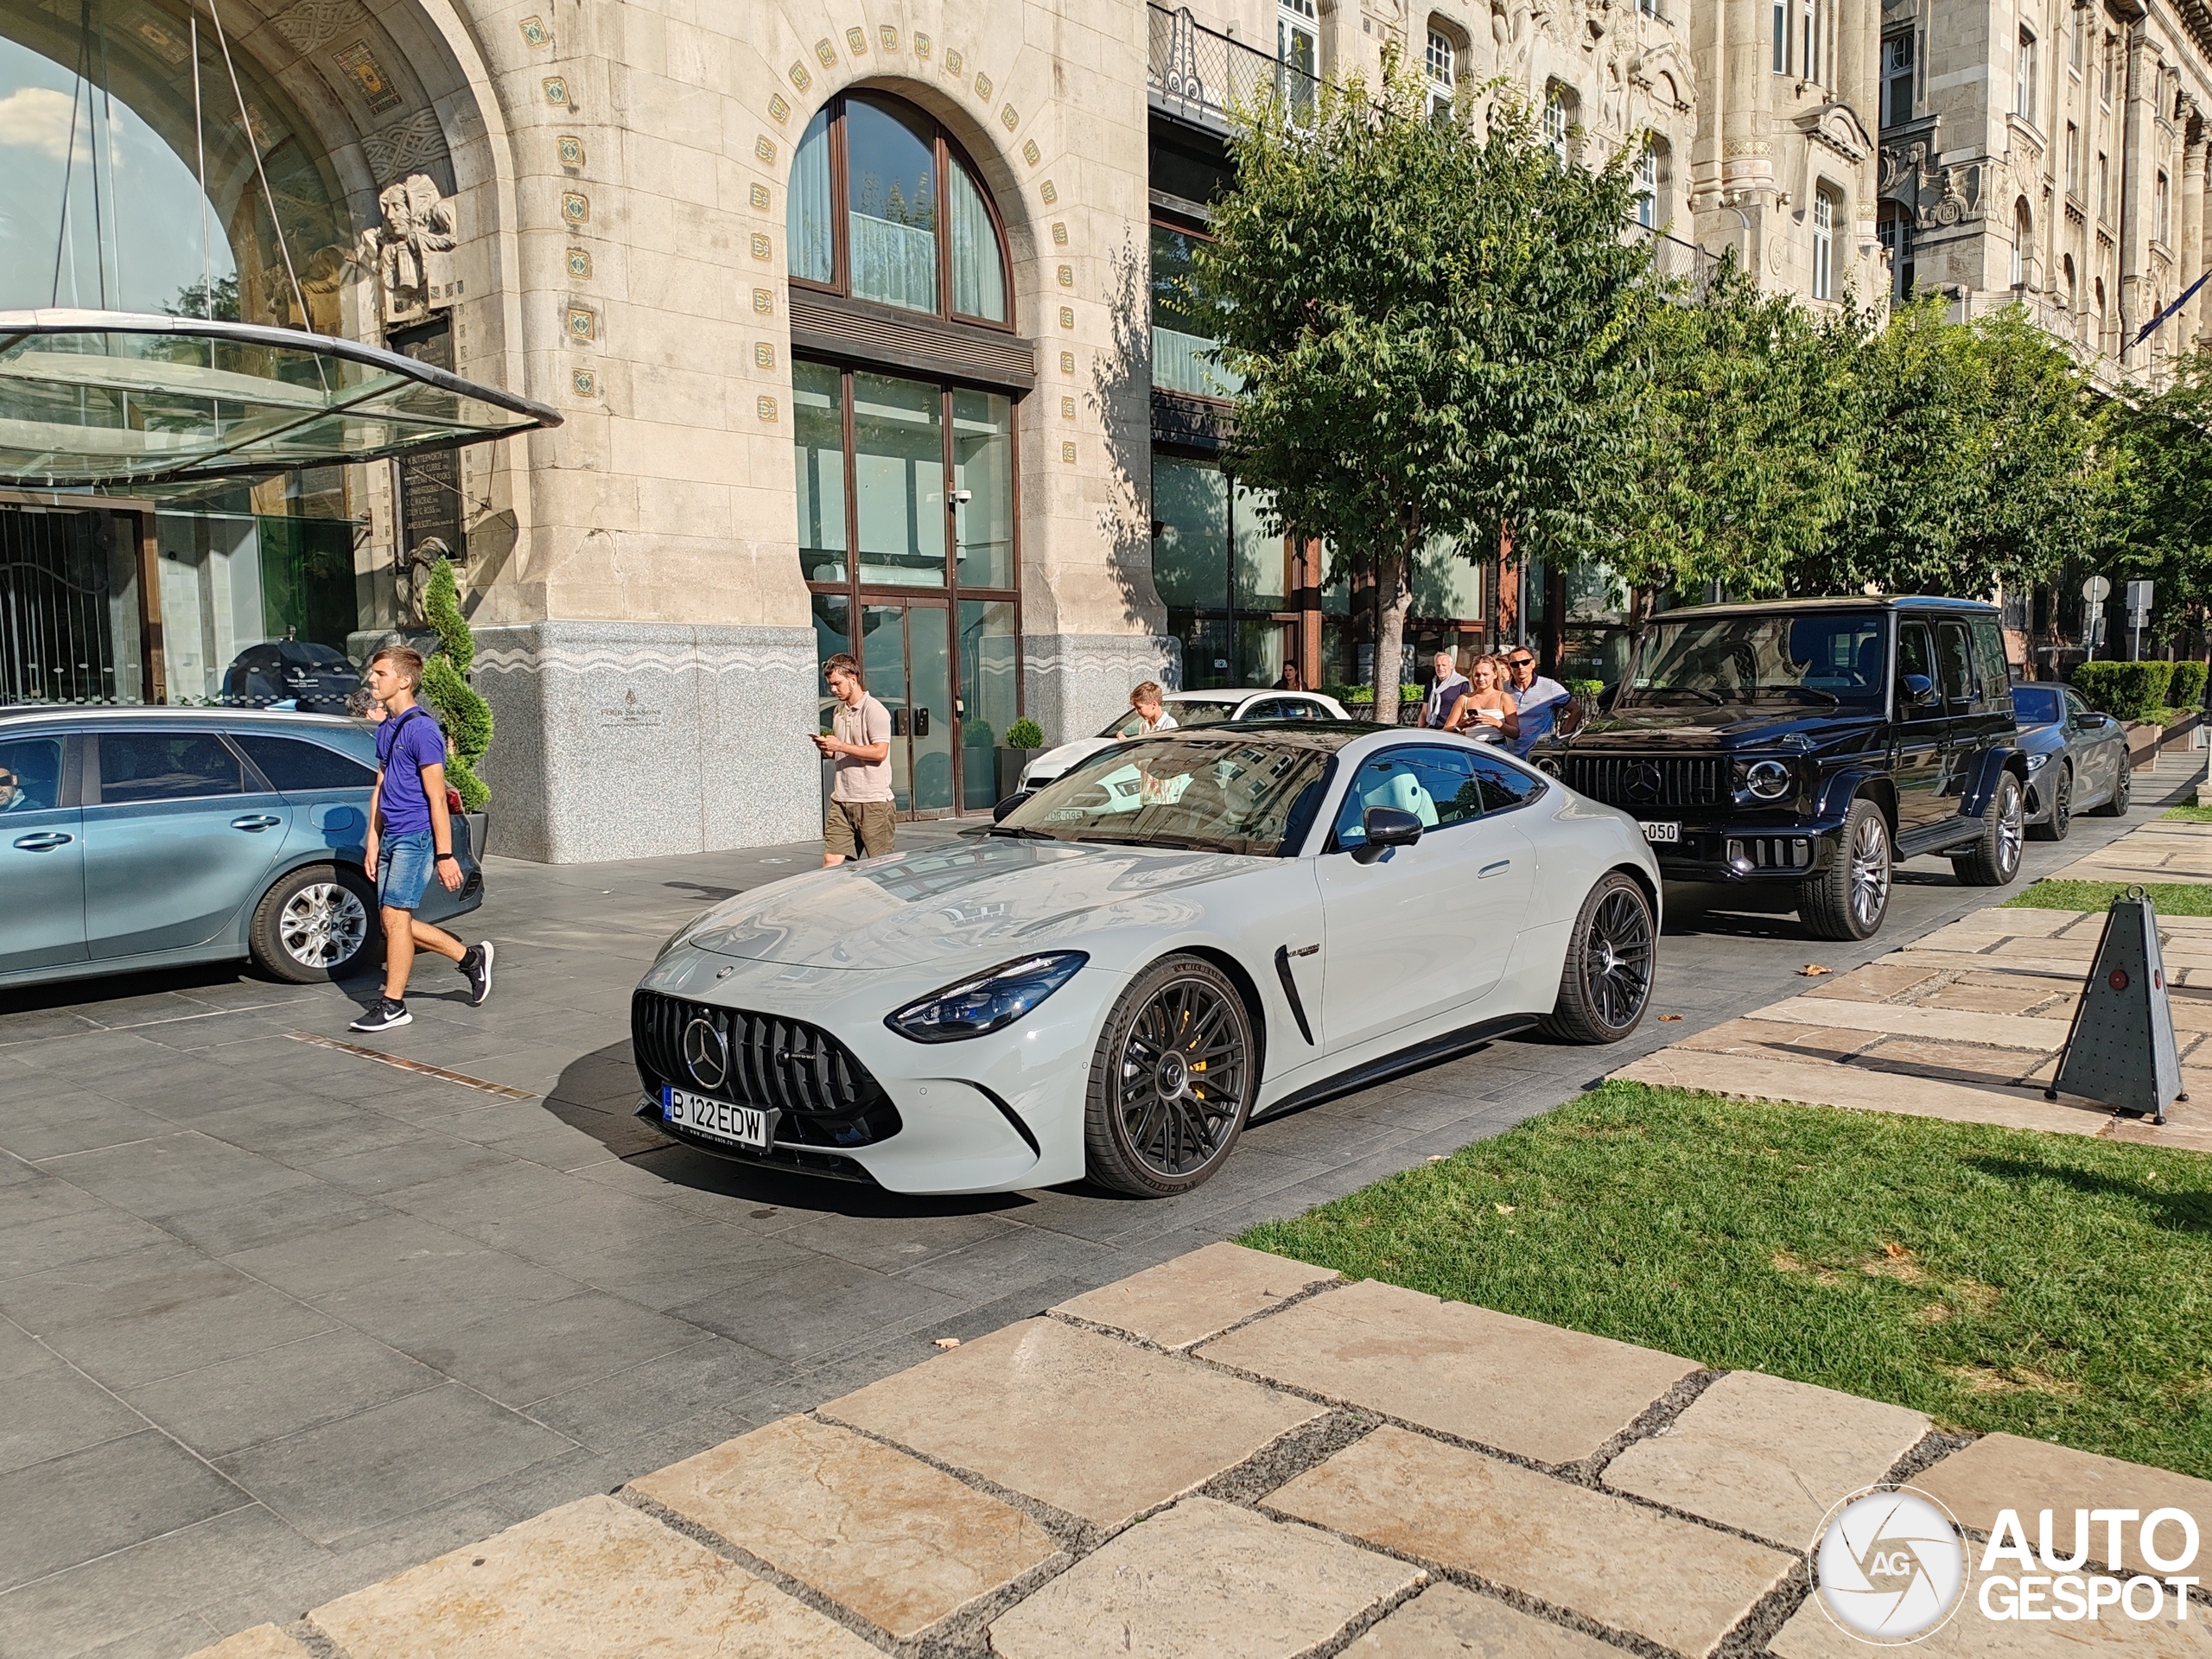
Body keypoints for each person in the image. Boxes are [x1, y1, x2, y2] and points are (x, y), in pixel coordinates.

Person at [351, 646, 493, 1032]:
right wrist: (373, 837)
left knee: (395, 919)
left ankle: (394, 1004)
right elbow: (381, 785)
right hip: (391, 836)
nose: (372, 679)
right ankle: (470, 958)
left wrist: (445, 854)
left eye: (380, 673)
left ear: (404, 680)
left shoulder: (423, 730)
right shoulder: (386, 728)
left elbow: (436, 797)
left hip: (416, 837)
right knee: (393, 921)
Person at [814, 652, 894, 867]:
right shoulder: (839, 711)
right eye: (831, 685)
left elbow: (880, 752)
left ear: (853, 677)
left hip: (873, 801)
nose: (833, 689)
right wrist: (828, 749)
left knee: (879, 865)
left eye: (837, 684)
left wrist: (840, 745)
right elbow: (843, 753)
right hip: (841, 798)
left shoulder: (874, 710)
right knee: (831, 860)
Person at [1504, 647, 1571, 757]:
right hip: (1509, 755)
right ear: (1510, 667)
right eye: (1515, 664)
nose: (1520, 667)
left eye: (1525, 662)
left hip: (1539, 754)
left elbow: (1576, 710)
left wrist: (1563, 737)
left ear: (1533, 664)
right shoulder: (1502, 689)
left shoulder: (1549, 686)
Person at [1451, 654, 1520, 742]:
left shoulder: (1503, 698)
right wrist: (1460, 726)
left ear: (1495, 674)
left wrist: (1497, 723)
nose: (1481, 678)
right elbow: (1447, 731)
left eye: (1485, 674)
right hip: (1471, 749)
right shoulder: (1465, 699)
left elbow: (1515, 733)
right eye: (1477, 675)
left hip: (1496, 748)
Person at [1421, 651, 1471, 729]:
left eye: (1444, 665)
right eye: (1438, 665)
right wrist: (1420, 729)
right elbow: (1424, 711)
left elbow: (1466, 710)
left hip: (1451, 730)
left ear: (1452, 666)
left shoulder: (1462, 684)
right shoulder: (1430, 685)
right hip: (1431, 728)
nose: (1440, 668)